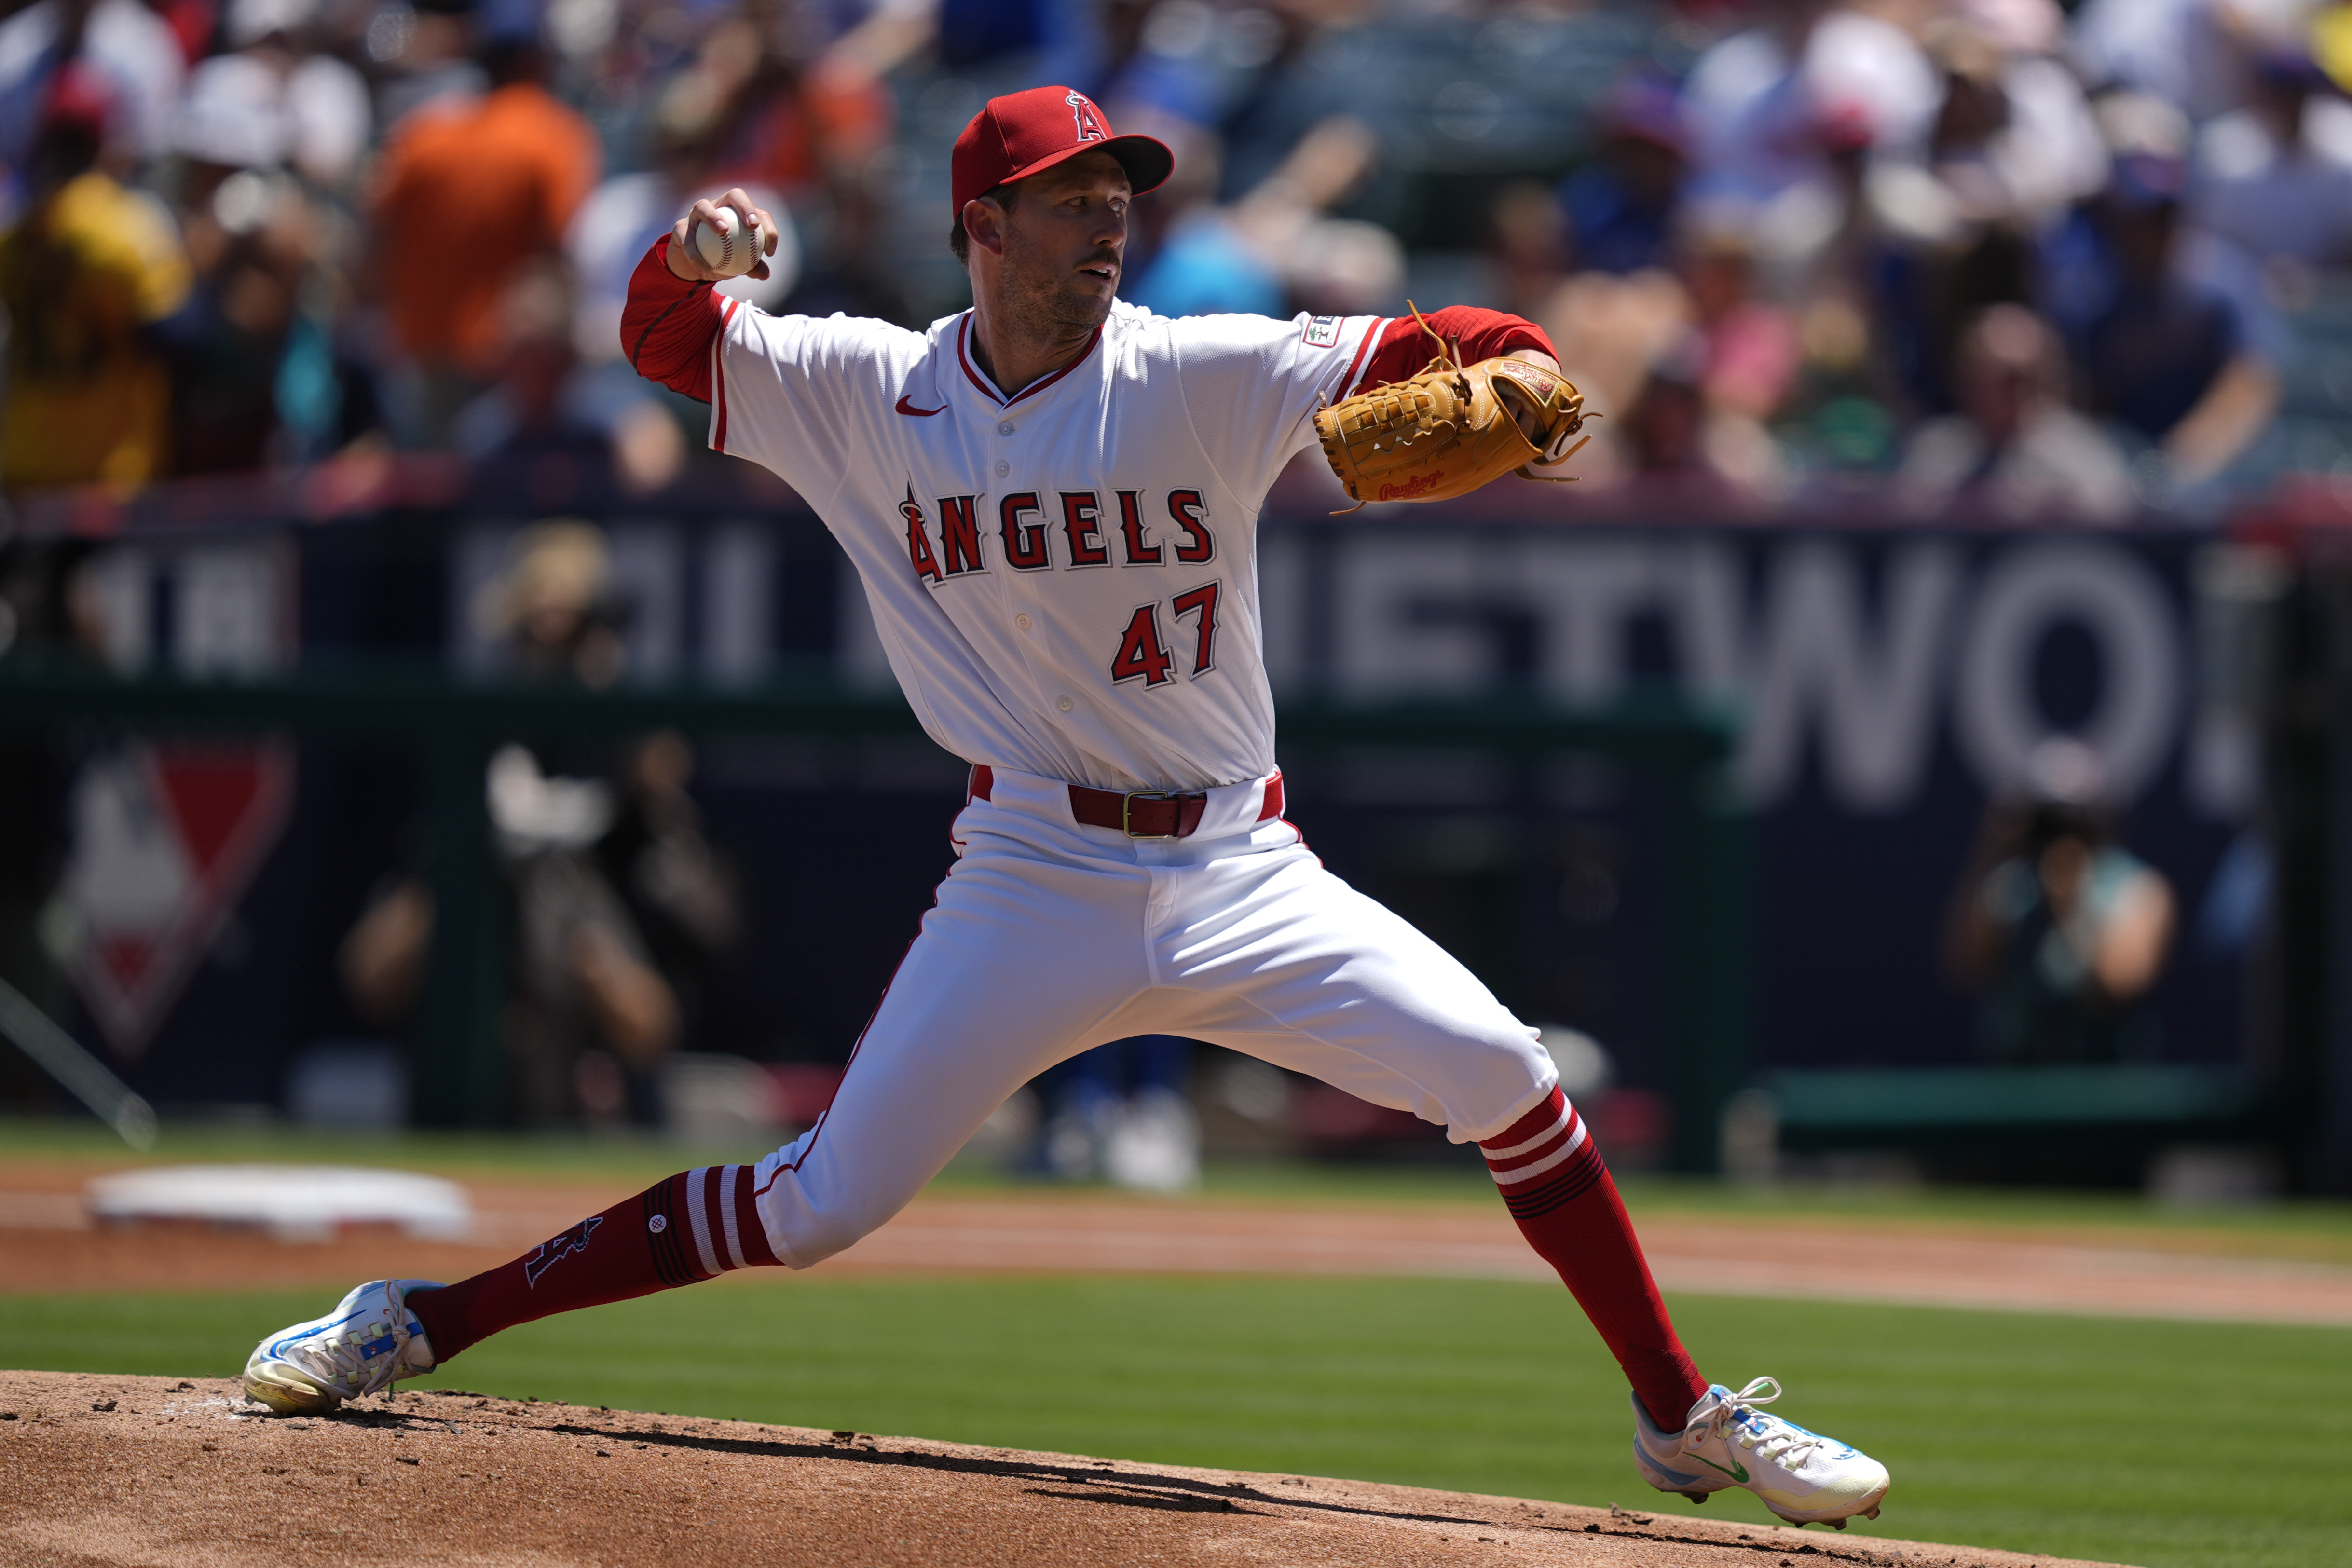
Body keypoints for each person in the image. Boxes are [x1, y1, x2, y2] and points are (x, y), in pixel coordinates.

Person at [242, 85, 1891, 1532]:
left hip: (1242, 864)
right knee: (819, 1205)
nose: (1110, 226)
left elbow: (1465, 344)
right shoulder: (861, 386)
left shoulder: (1200, 370)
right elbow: (666, 345)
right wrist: (685, 258)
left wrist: (1520, 370)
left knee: (1507, 1076)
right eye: (1074, 203)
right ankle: (420, 1319)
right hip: (1029, 864)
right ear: (983, 225)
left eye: (1123, 201)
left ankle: (1679, 1414)